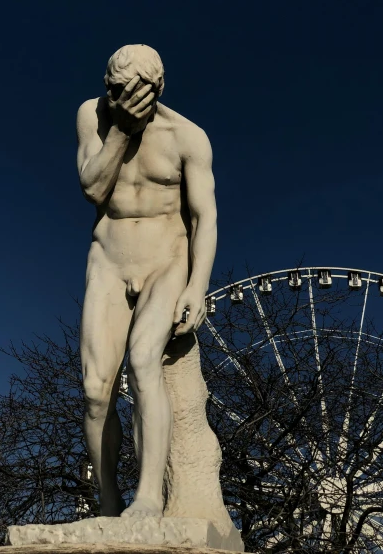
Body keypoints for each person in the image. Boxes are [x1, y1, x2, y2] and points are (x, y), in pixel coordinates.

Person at [76, 44, 217, 518]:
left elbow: (204, 217)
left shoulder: (188, 136)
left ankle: (150, 496)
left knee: (142, 364)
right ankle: (109, 502)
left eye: (129, 92)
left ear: (155, 90)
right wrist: (118, 132)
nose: (117, 97)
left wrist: (197, 287)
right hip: (109, 260)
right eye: (111, 89)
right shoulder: (93, 116)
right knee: (96, 391)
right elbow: (93, 187)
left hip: (165, 261)